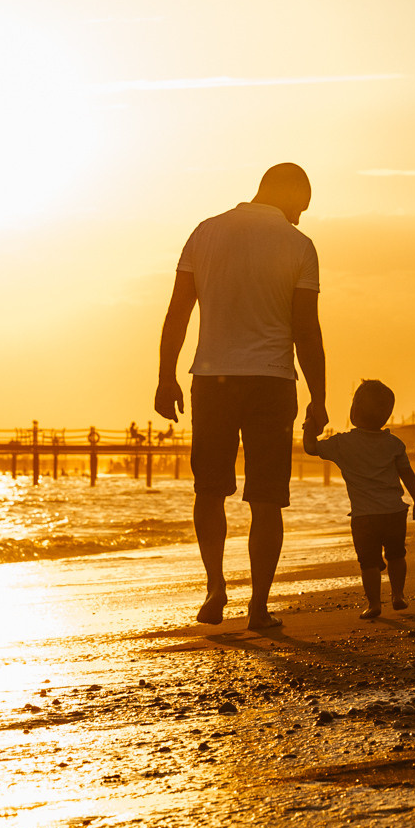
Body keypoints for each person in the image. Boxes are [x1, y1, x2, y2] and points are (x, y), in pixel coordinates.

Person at [155, 163, 328, 629]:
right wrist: (320, 397)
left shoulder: (205, 232)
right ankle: (258, 607)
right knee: (266, 499)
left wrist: (165, 376)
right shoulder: (299, 247)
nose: (299, 219)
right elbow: (305, 331)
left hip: (212, 379)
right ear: (289, 194)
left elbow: (178, 311)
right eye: (300, 208)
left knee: (209, 491)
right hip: (271, 381)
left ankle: (215, 587)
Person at [304, 379, 415, 619]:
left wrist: (309, 425)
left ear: (354, 412)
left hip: (364, 517)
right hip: (394, 512)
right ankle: (398, 595)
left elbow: (311, 448)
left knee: (369, 563)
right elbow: (408, 475)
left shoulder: (343, 444)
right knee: (396, 555)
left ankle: (374, 604)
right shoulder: (394, 444)